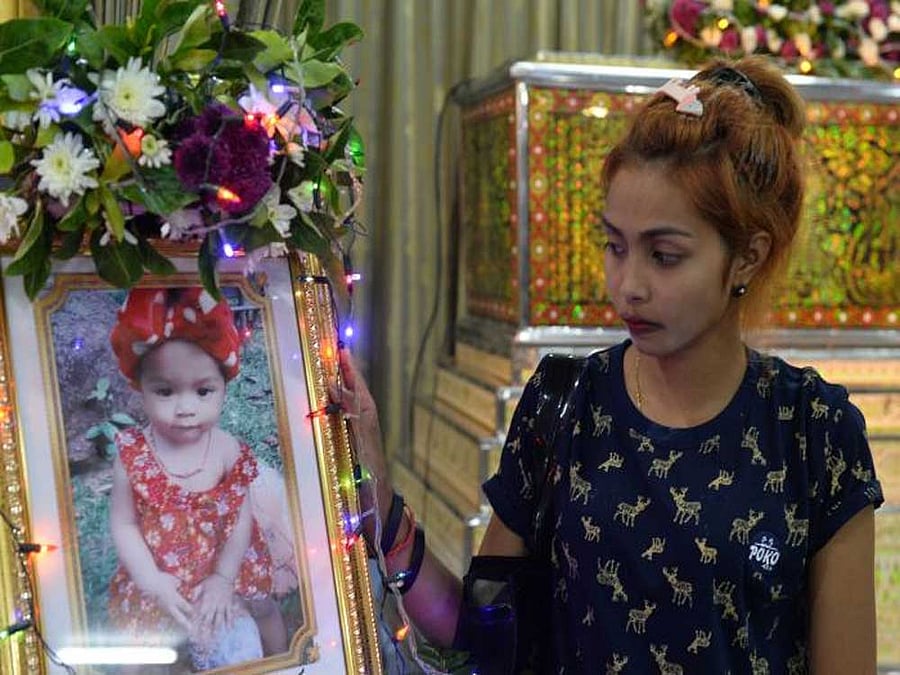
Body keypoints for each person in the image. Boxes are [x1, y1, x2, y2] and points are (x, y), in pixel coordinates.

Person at [336, 56, 883, 674]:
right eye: (615, 246)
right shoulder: (564, 403)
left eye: (664, 255)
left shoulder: (813, 433)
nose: (628, 286)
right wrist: (382, 504)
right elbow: (483, 632)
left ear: (747, 257)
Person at [107, 287, 292, 671]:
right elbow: (124, 524)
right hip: (162, 571)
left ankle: (284, 659)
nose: (186, 407)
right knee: (140, 639)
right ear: (140, 388)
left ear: (224, 387)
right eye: (165, 391)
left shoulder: (226, 450)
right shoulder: (133, 455)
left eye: (203, 391)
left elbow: (240, 519)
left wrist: (224, 578)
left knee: (262, 607)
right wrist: (152, 580)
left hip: (228, 561)